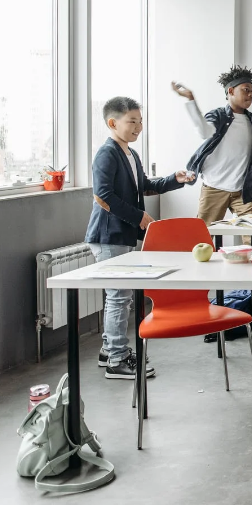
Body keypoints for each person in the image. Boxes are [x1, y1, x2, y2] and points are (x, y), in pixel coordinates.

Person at [85, 97, 193, 379]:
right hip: (108, 235)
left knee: (118, 296)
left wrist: (174, 179)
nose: (138, 127)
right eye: (132, 121)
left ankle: (110, 350)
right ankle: (117, 361)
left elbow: (144, 186)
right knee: (119, 296)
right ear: (113, 123)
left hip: (120, 235)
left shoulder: (130, 154)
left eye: (140, 121)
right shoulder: (107, 153)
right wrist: (139, 217)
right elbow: (102, 195)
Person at [172, 65, 252, 228]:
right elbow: (204, 132)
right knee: (205, 237)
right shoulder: (217, 116)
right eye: (246, 90)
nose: (251, 94)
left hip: (243, 192)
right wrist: (191, 99)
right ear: (231, 91)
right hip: (214, 189)